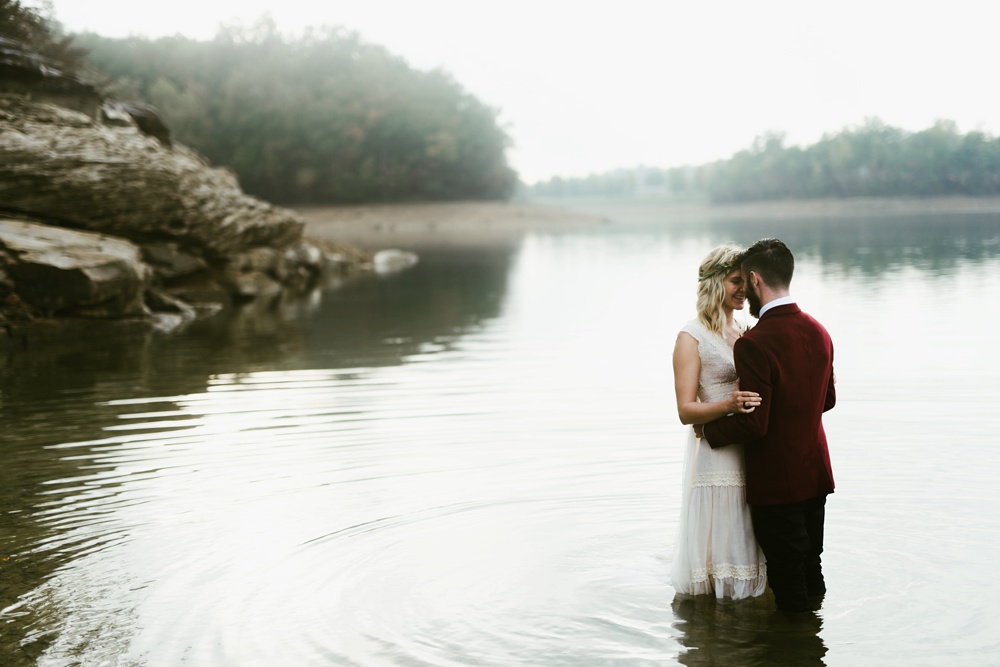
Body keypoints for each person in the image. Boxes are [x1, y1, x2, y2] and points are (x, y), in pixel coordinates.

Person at [701, 238, 836, 613]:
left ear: (756, 279)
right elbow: (827, 400)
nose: (745, 291)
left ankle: (794, 646)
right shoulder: (819, 331)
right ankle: (814, 641)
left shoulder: (754, 343)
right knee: (812, 567)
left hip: (779, 484)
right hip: (816, 475)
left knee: (787, 580)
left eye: (745, 282)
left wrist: (710, 431)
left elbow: (755, 425)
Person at [670, 244, 767, 600]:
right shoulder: (690, 336)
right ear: (714, 282)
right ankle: (720, 604)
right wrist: (728, 403)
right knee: (721, 540)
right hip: (715, 455)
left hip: (747, 447)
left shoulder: (743, 330)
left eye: (746, 281)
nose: (744, 289)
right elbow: (685, 410)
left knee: (746, 530)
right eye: (734, 281)